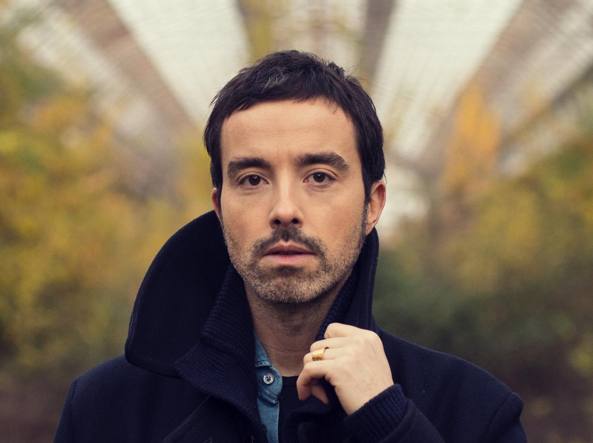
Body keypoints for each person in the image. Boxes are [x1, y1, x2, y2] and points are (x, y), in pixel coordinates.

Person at [54, 50, 526, 442]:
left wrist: (388, 422)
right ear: (219, 208)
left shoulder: (475, 413)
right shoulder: (104, 410)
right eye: (252, 179)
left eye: (319, 177)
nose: (284, 209)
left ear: (373, 204)